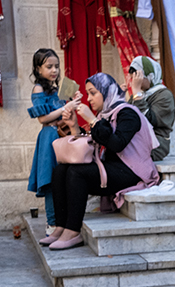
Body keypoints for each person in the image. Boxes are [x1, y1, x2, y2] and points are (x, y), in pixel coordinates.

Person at [41, 73, 160, 250]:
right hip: (111, 169)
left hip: (132, 172)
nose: (89, 99)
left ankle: (73, 231)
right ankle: (61, 226)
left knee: (76, 172)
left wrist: (93, 120)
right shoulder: (105, 114)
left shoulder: (128, 113)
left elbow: (117, 144)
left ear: (106, 91)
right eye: (88, 94)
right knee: (61, 170)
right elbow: (90, 147)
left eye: (93, 93)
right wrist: (74, 126)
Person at [26, 48, 66, 233]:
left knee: (61, 179)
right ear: (38, 68)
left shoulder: (55, 89)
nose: (54, 70)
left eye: (56, 66)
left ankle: (62, 221)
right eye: (49, 66)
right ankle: (52, 223)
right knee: (50, 180)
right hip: (48, 136)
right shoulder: (38, 88)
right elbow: (43, 118)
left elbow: (57, 116)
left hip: (59, 134)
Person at [127, 55, 175, 162]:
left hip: (156, 145)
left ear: (150, 76)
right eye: (133, 78)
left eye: (138, 78)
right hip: (136, 141)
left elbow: (146, 120)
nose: (134, 82)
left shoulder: (165, 95)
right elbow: (127, 117)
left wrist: (137, 93)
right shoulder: (140, 93)